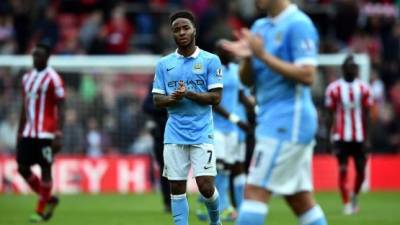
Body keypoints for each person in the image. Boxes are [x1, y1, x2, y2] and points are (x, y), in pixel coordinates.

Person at [223, 0, 328, 225]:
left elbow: (308, 75)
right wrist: (249, 59)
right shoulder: (260, 27)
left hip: (289, 120)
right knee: (299, 199)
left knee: (254, 191)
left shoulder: (299, 24)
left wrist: (262, 56)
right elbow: (246, 80)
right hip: (271, 119)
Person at [152, 10, 222, 225]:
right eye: (176, 30)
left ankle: (215, 220)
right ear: (172, 34)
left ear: (194, 31)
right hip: (174, 134)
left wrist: (188, 94)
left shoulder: (210, 60)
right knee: (176, 186)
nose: (181, 32)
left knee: (205, 186)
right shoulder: (164, 64)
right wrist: (173, 98)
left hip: (202, 133)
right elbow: (157, 99)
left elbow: (216, 98)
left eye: (185, 28)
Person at [197, 39, 252, 222]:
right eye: (224, 49)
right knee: (219, 166)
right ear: (218, 52)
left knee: (233, 167)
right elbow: (213, 102)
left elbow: (242, 95)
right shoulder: (211, 71)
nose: (230, 52)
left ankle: (238, 207)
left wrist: (257, 111)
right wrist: (235, 119)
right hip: (216, 126)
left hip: (233, 129)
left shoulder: (236, 70)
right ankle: (222, 207)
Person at [16, 43, 65, 222]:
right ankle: (49, 199)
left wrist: (59, 132)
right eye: (34, 55)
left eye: (39, 55)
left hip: (46, 133)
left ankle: (39, 210)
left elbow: (62, 106)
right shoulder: (26, 78)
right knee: (22, 168)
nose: (35, 58)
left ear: (47, 57)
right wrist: (19, 130)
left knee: (45, 169)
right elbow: (24, 106)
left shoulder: (54, 78)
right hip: (28, 132)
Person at [325, 55, 373, 215]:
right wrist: (329, 138)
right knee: (343, 168)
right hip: (341, 136)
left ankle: (354, 196)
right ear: (343, 69)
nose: (351, 69)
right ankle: (346, 204)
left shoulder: (364, 88)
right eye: (348, 66)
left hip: (359, 137)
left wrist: (368, 138)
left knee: (361, 171)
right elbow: (329, 114)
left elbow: (367, 114)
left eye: (354, 66)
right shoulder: (333, 89)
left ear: (357, 70)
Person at [142, 83, 171, 212]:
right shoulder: (157, 84)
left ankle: (179, 199)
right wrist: (167, 104)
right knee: (165, 169)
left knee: (180, 168)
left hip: (181, 134)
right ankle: (168, 202)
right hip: (161, 134)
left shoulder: (182, 79)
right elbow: (146, 106)